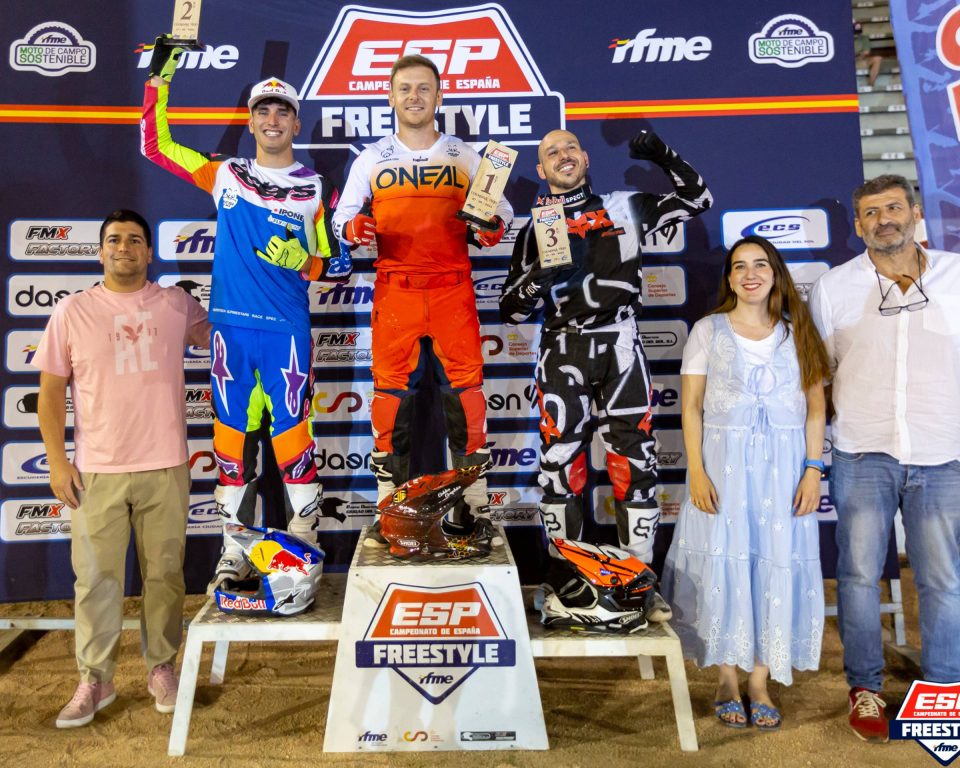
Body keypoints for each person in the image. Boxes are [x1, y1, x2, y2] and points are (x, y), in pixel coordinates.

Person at [141, 39, 350, 590]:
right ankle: (234, 551)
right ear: (252, 122)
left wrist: (305, 261)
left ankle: (304, 542)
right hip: (231, 330)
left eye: (283, 111)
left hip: (286, 333)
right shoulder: (225, 174)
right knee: (231, 447)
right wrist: (159, 80)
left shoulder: (316, 187)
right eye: (263, 111)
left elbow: (339, 264)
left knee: (295, 442)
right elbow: (156, 146)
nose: (273, 119)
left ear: (296, 124)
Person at [810, 174, 960, 743]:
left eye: (894, 208)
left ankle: (943, 688)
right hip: (862, 455)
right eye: (871, 213)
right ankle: (865, 687)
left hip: (941, 459)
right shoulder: (834, 288)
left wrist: (944, 420)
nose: (884, 220)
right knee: (857, 577)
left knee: (942, 578)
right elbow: (821, 375)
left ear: (915, 213)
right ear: (858, 226)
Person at [499, 128, 711, 563]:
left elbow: (699, 199)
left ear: (586, 158)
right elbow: (511, 312)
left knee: (635, 461)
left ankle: (637, 575)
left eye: (570, 147)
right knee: (559, 465)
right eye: (552, 152)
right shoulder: (536, 227)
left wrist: (663, 155)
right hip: (562, 348)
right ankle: (569, 573)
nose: (563, 155)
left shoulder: (624, 205)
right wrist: (537, 280)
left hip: (620, 343)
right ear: (541, 170)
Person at [34, 210, 211, 728]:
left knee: (166, 576)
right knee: (95, 580)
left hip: (165, 466)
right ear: (100, 251)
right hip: (96, 472)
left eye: (135, 240)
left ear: (149, 252)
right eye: (114, 240)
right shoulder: (72, 311)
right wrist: (57, 461)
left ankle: (162, 668)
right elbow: (49, 393)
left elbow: (227, 336)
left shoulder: (177, 304)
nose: (124, 248)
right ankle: (96, 680)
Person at [332, 54, 512, 543]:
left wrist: (492, 225)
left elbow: (502, 209)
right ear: (391, 97)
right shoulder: (371, 157)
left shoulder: (463, 154)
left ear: (439, 96)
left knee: (467, 397)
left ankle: (471, 511)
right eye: (405, 88)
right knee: (390, 400)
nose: (414, 96)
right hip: (397, 290)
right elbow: (342, 215)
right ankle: (391, 511)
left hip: (452, 287)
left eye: (423, 88)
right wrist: (353, 227)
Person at [662, 236, 828, 730]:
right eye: (739, 266)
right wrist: (696, 470)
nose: (750, 274)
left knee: (774, 563)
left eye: (760, 265)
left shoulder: (799, 332)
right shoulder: (708, 331)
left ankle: (760, 680)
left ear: (775, 274)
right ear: (730, 278)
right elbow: (691, 407)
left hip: (785, 472)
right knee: (725, 565)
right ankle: (727, 678)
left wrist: (813, 470)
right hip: (723, 470)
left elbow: (816, 410)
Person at [854, 21, 883, 88]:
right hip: (847, 63)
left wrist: (859, 56)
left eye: (858, 32)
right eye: (855, 32)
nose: (856, 34)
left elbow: (866, 52)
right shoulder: (844, 39)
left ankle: (870, 84)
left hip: (859, 61)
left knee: (878, 59)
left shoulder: (864, 38)